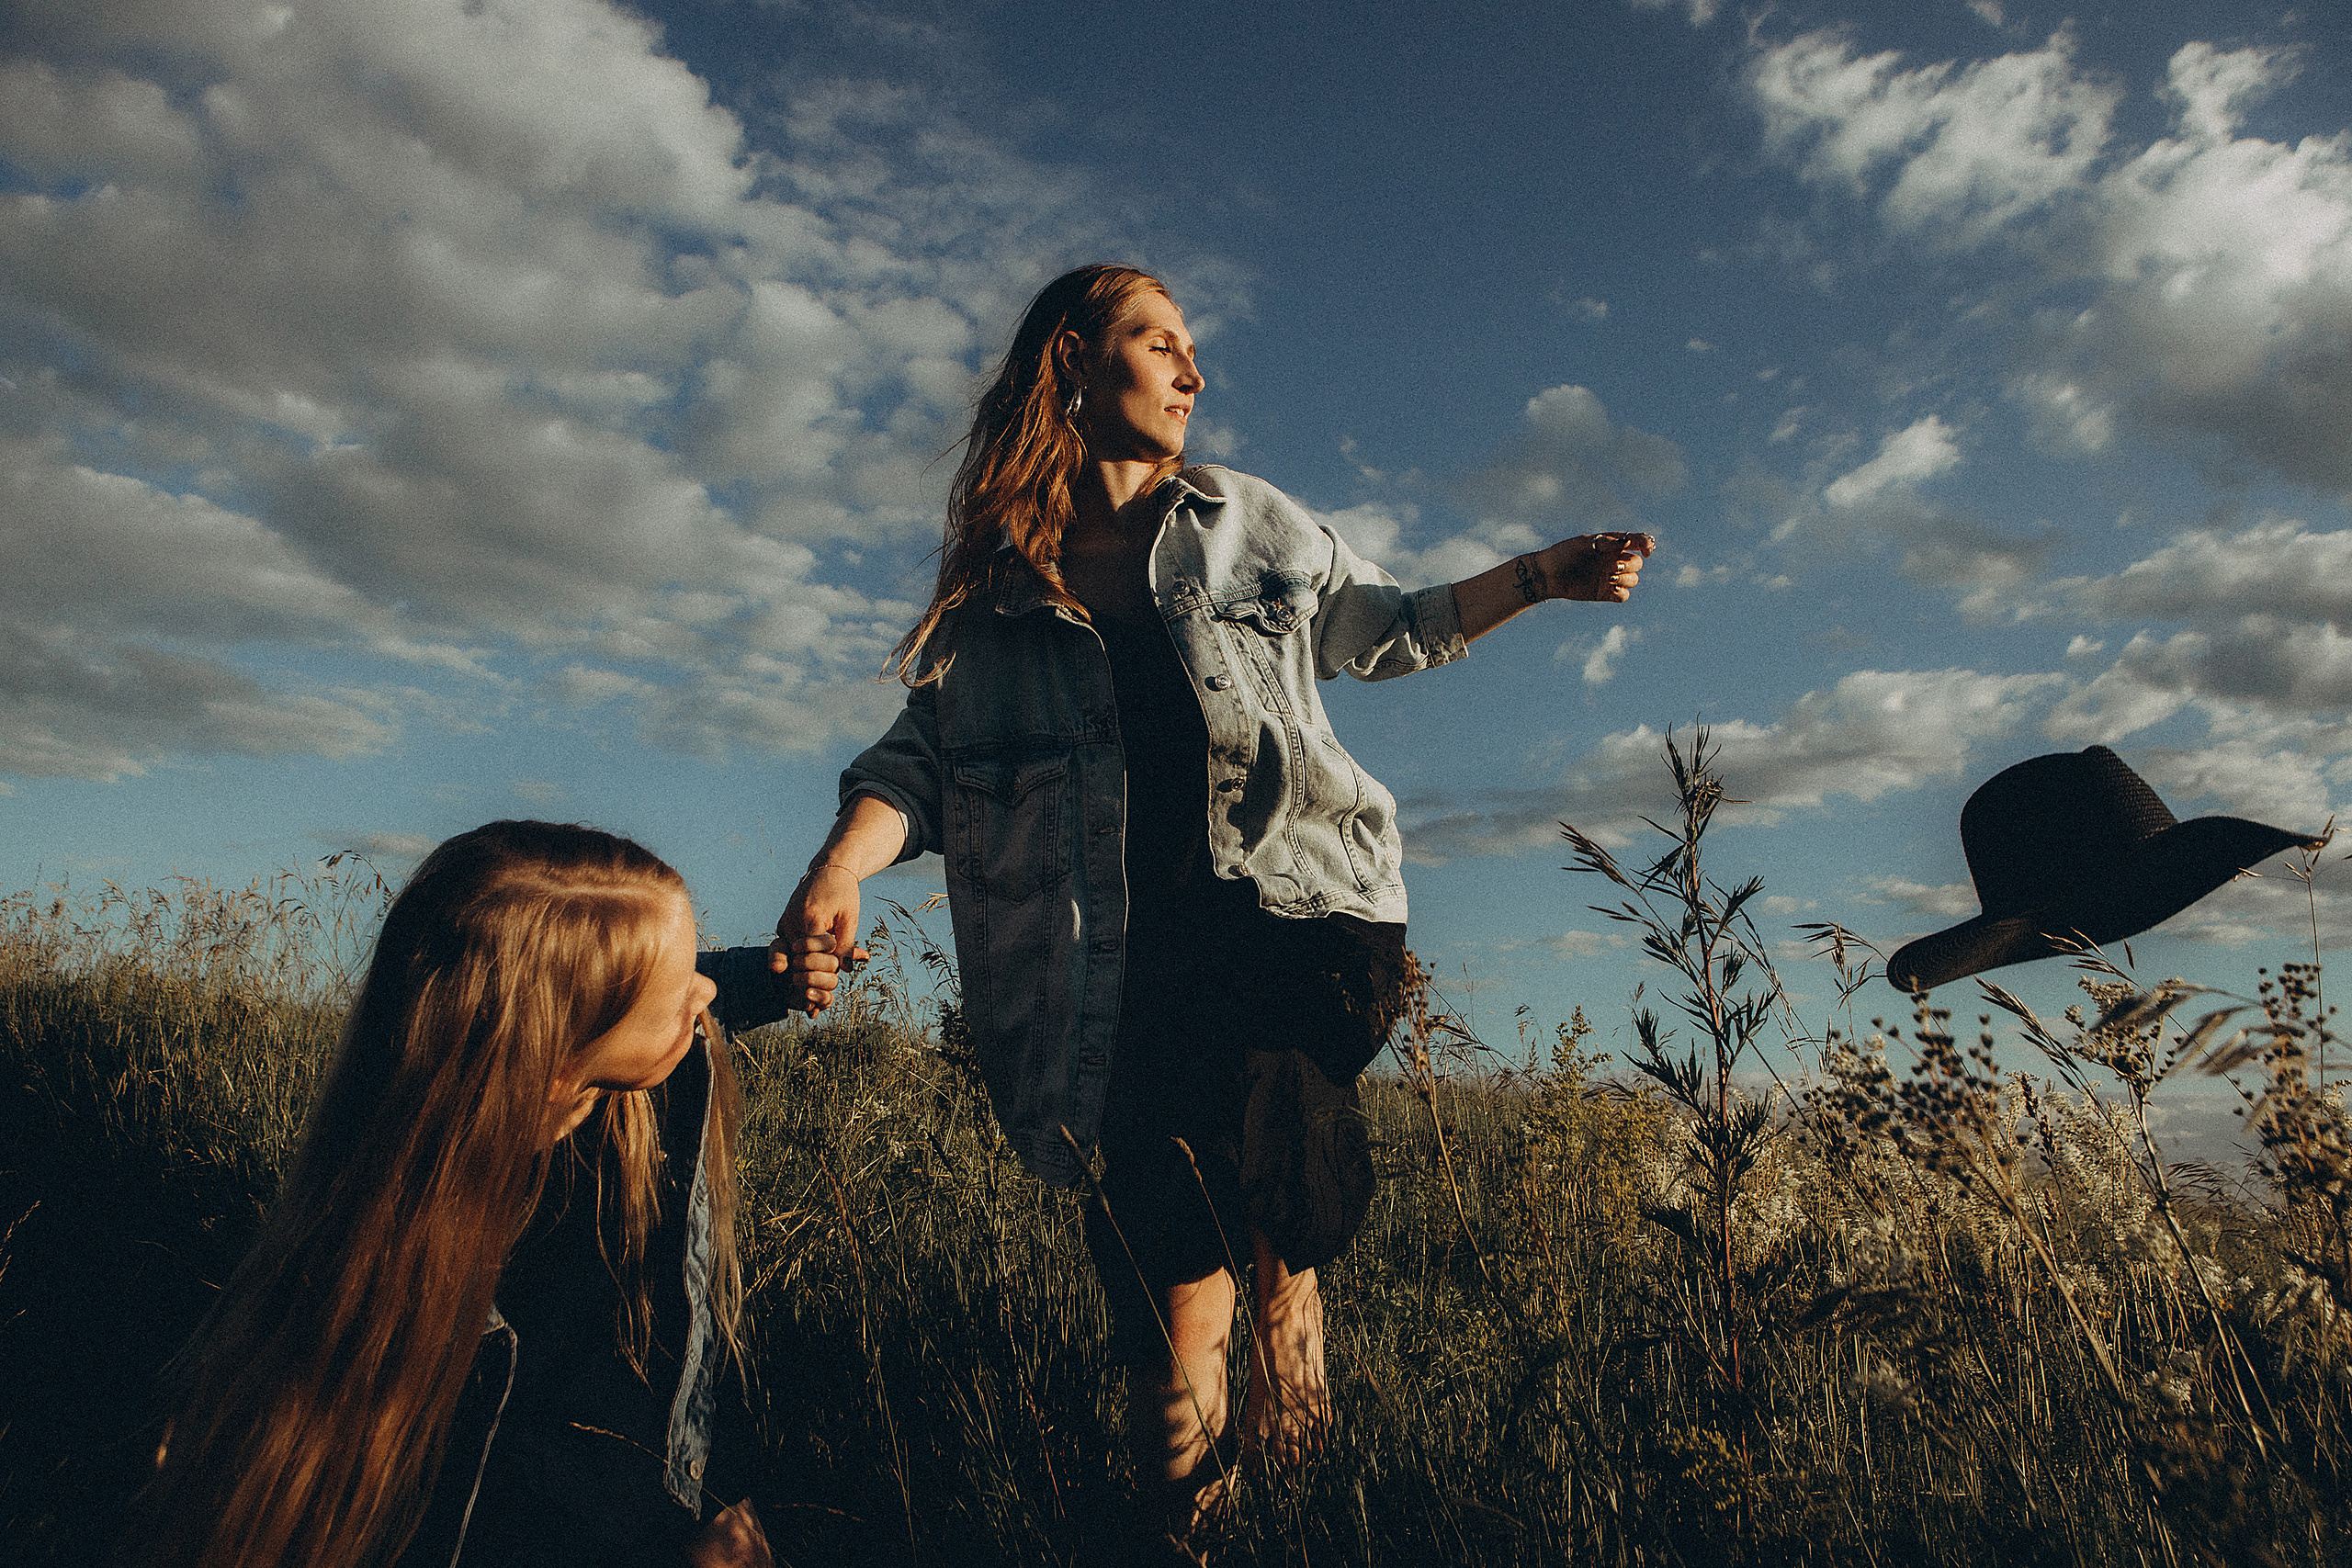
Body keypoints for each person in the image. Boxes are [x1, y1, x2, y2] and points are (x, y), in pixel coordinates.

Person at [775, 264, 1650, 1529]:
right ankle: (1179, 1524)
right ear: (1073, 361)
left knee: (1264, 1217)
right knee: (1167, 1251)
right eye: (1160, 342)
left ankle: (1291, 1493)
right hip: (1113, 956)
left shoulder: (1246, 518)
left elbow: (1386, 625)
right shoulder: (1010, 591)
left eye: (1192, 347)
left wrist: (1542, 574)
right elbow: (923, 759)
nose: (1194, 370)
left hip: (1293, 917)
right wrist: (837, 869)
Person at [124, 820, 794, 1568]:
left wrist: (776, 974)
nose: (702, 995)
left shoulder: (616, 1099)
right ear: (553, 1058)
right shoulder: (407, 1325)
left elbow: (653, 981)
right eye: (680, 994)